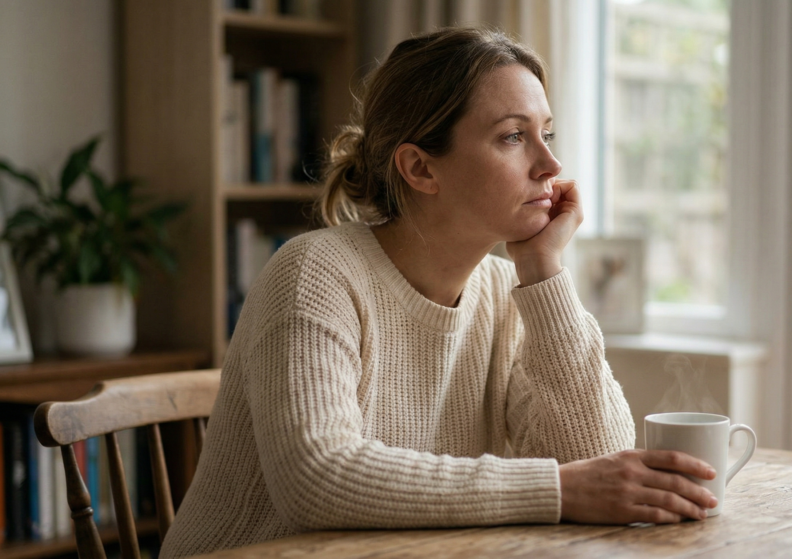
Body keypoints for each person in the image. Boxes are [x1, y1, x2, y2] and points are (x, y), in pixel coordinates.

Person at [161, 27, 717, 558]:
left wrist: (544, 271)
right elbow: (318, 477)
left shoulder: (507, 290)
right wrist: (558, 490)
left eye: (546, 134)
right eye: (513, 137)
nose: (550, 165)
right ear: (421, 167)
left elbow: (600, 460)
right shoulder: (315, 273)